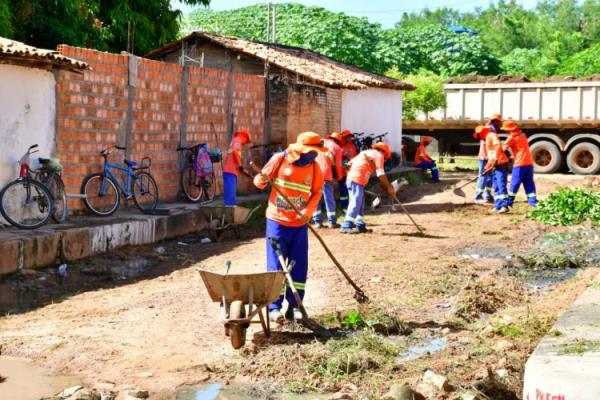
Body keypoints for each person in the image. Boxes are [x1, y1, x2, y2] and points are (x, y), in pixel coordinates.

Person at [253, 132, 325, 322]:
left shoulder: (316, 168)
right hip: (277, 221)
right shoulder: (280, 159)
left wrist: (307, 212)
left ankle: (295, 306)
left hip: (300, 224)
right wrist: (261, 180)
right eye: (310, 152)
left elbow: (317, 193)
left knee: (299, 263)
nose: (312, 155)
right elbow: (259, 182)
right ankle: (274, 307)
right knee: (277, 263)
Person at [340, 143, 396, 234]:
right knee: (356, 201)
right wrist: (389, 187)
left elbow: (348, 165)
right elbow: (380, 173)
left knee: (359, 202)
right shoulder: (379, 155)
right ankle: (346, 225)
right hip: (357, 179)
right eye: (385, 157)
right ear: (384, 152)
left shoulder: (365, 153)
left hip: (353, 179)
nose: (384, 159)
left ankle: (360, 225)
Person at [473, 119, 511, 213]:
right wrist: (486, 167)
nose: (479, 137)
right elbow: (491, 155)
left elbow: (498, 146)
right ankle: (497, 206)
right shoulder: (486, 139)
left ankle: (504, 206)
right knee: (496, 186)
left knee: (501, 185)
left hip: (501, 164)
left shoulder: (491, 135)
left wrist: (497, 159)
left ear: (483, 132)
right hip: (495, 165)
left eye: (479, 135)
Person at [502, 120, 537, 207]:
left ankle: (509, 203)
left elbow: (502, 149)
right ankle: (533, 202)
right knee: (529, 183)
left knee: (514, 183)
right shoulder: (523, 135)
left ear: (509, 130)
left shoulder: (511, 137)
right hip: (529, 164)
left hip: (519, 164)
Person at [312, 133, 344, 228]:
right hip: (326, 175)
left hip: (314, 173)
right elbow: (338, 165)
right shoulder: (337, 147)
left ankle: (317, 222)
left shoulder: (318, 142)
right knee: (328, 197)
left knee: (314, 198)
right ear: (338, 141)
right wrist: (339, 176)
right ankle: (332, 222)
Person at [222, 130, 252, 206]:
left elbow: (234, 156)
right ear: (245, 137)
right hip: (230, 170)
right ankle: (230, 209)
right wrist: (240, 166)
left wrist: (243, 171)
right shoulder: (238, 140)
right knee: (230, 192)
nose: (245, 144)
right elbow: (235, 152)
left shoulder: (234, 140)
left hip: (230, 170)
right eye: (246, 141)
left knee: (230, 192)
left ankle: (229, 207)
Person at [338, 129, 358, 210]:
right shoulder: (340, 146)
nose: (350, 138)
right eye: (348, 137)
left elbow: (355, 157)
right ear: (344, 137)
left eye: (350, 136)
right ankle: (344, 206)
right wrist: (344, 156)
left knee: (351, 189)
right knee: (343, 190)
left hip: (351, 172)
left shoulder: (352, 146)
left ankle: (352, 205)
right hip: (342, 172)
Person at [474, 125, 494, 204]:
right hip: (484, 159)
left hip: (488, 159)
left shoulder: (487, 137)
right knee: (483, 176)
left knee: (489, 178)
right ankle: (478, 196)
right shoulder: (484, 138)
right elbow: (487, 151)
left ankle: (488, 196)